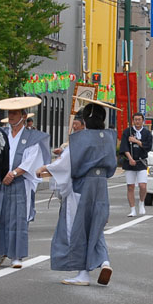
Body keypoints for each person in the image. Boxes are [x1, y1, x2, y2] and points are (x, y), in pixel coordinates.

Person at [37, 99, 117, 286]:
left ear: (86, 121)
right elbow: (112, 166)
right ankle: (104, 261)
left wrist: (46, 167)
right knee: (96, 224)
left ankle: (83, 273)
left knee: (79, 227)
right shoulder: (109, 137)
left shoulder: (81, 138)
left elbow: (66, 164)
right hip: (101, 184)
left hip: (83, 185)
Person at [0, 98, 51, 269]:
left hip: (20, 181)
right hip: (2, 181)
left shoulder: (31, 137)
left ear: (24, 116)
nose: (10, 116)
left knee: (18, 218)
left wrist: (14, 173)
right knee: (0, 216)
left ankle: (16, 255)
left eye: (15, 113)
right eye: (9, 113)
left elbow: (31, 161)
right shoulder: (1, 134)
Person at [119, 112, 153, 217]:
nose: (137, 121)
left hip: (141, 162)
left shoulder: (147, 133)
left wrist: (136, 141)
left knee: (142, 185)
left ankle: (141, 202)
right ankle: (132, 209)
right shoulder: (127, 132)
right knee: (130, 186)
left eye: (139, 119)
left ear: (143, 120)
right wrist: (130, 158)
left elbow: (148, 147)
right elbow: (124, 147)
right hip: (130, 162)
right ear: (133, 120)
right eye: (136, 119)